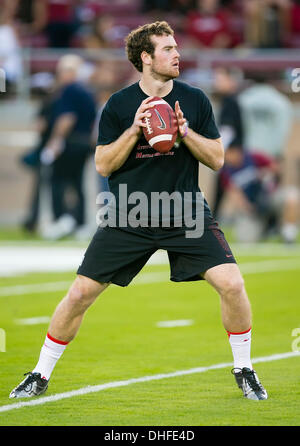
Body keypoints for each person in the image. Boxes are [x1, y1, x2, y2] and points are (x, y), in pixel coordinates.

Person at [10, 21, 267, 401]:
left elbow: (216, 158)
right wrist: (133, 130)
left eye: (176, 47)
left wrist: (184, 132)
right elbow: (103, 165)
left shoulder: (195, 99)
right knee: (80, 293)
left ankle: (244, 369)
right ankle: (39, 374)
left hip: (185, 211)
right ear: (146, 58)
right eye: (167, 49)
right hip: (130, 213)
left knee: (232, 284)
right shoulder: (118, 104)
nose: (176, 53)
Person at [39, 54, 97, 240]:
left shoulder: (69, 90)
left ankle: (61, 219)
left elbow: (67, 118)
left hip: (70, 142)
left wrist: (55, 140)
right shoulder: (86, 91)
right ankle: (80, 223)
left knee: (58, 181)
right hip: (84, 143)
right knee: (77, 183)